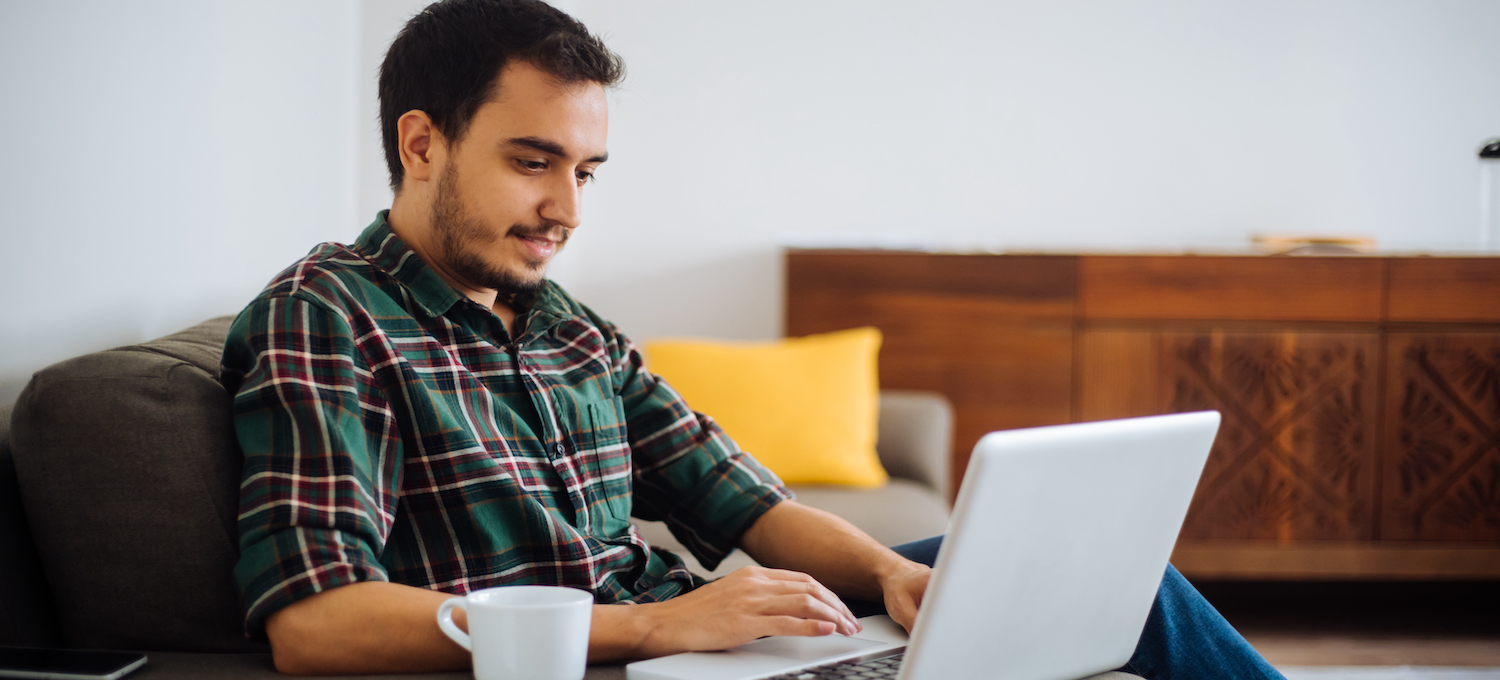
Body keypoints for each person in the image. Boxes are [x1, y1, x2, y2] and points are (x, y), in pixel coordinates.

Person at [220, 1, 1284, 678]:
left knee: (1102, 580)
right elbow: (319, 624)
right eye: (533, 161)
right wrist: (657, 626)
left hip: (681, 637)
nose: (568, 209)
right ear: (422, 143)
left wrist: (886, 573)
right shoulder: (330, 316)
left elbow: (746, 502)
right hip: (609, 657)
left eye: (585, 172)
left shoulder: (570, 330)